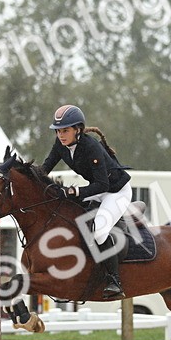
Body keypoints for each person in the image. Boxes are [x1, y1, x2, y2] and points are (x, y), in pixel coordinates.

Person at [40, 104, 131, 299]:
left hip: (116, 192)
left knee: (99, 231)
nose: (61, 135)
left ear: (77, 129)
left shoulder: (91, 147)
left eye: (65, 131)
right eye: (58, 131)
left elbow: (103, 185)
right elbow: (44, 169)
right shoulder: (60, 145)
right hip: (98, 190)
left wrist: (75, 191)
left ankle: (114, 281)